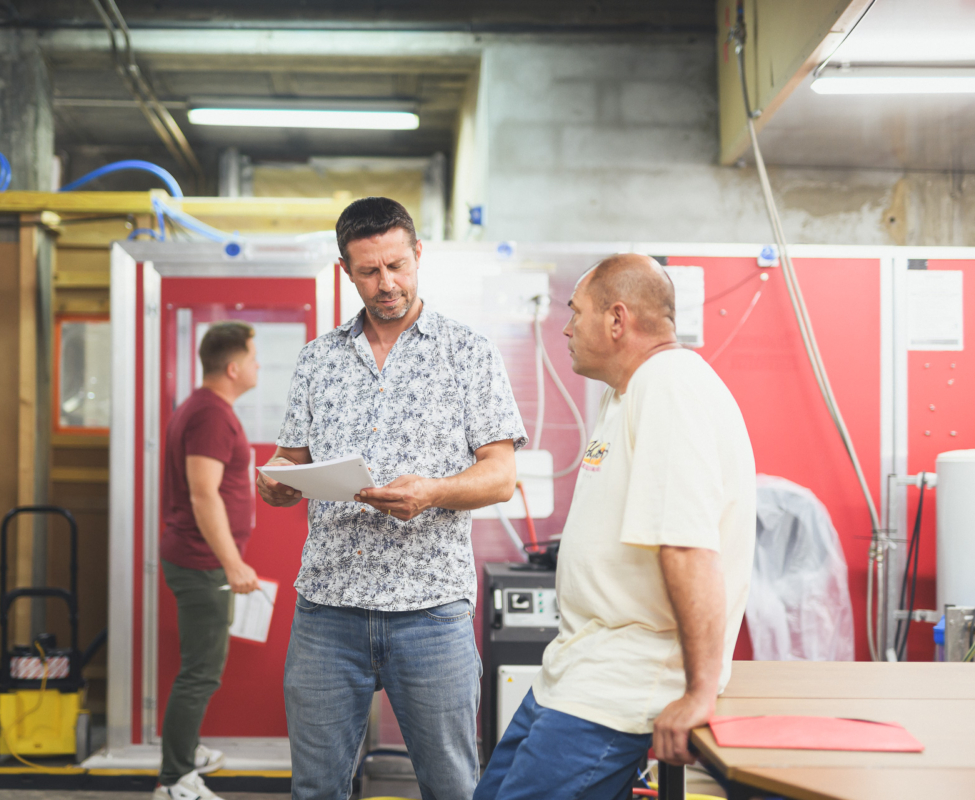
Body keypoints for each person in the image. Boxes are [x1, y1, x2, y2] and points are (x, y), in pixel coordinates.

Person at [257, 197, 527, 800]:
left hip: (430, 613)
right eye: (370, 271)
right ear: (344, 270)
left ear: (418, 255)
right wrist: (275, 479)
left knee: (452, 788)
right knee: (316, 789)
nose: (387, 284)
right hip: (327, 610)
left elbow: (501, 476)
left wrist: (433, 493)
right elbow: (292, 461)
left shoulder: (468, 353)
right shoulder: (317, 361)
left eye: (398, 266)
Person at [474, 255, 756, 800]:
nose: (566, 326)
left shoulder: (669, 387)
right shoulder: (626, 391)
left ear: (617, 319)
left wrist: (699, 691)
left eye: (575, 312)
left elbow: (688, 546)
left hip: (622, 683)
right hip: (577, 669)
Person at [154, 321, 261, 800]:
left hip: (199, 560)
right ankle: (175, 778)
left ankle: (184, 750)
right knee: (201, 671)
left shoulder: (203, 408)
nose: (260, 365)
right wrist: (232, 563)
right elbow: (203, 495)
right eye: (255, 358)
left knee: (200, 666)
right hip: (202, 563)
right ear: (234, 367)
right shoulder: (211, 415)